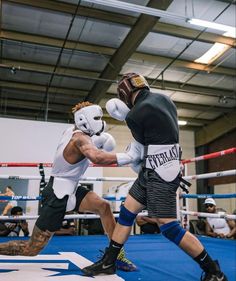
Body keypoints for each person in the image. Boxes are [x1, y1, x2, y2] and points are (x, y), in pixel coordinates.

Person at [82, 73, 228, 281]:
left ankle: (214, 271)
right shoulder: (166, 99)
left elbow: (139, 150)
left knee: (169, 227)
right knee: (127, 212)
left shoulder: (134, 115)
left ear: (124, 94)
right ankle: (109, 262)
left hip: (158, 172)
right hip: (163, 168)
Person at [0, 101, 142, 272]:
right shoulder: (79, 139)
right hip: (56, 194)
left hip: (72, 188)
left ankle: (115, 256)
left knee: (104, 207)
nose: (101, 122)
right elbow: (96, 157)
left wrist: (97, 139)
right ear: (83, 119)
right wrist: (129, 156)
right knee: (31, 249)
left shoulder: (71, 131)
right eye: (96, 117)